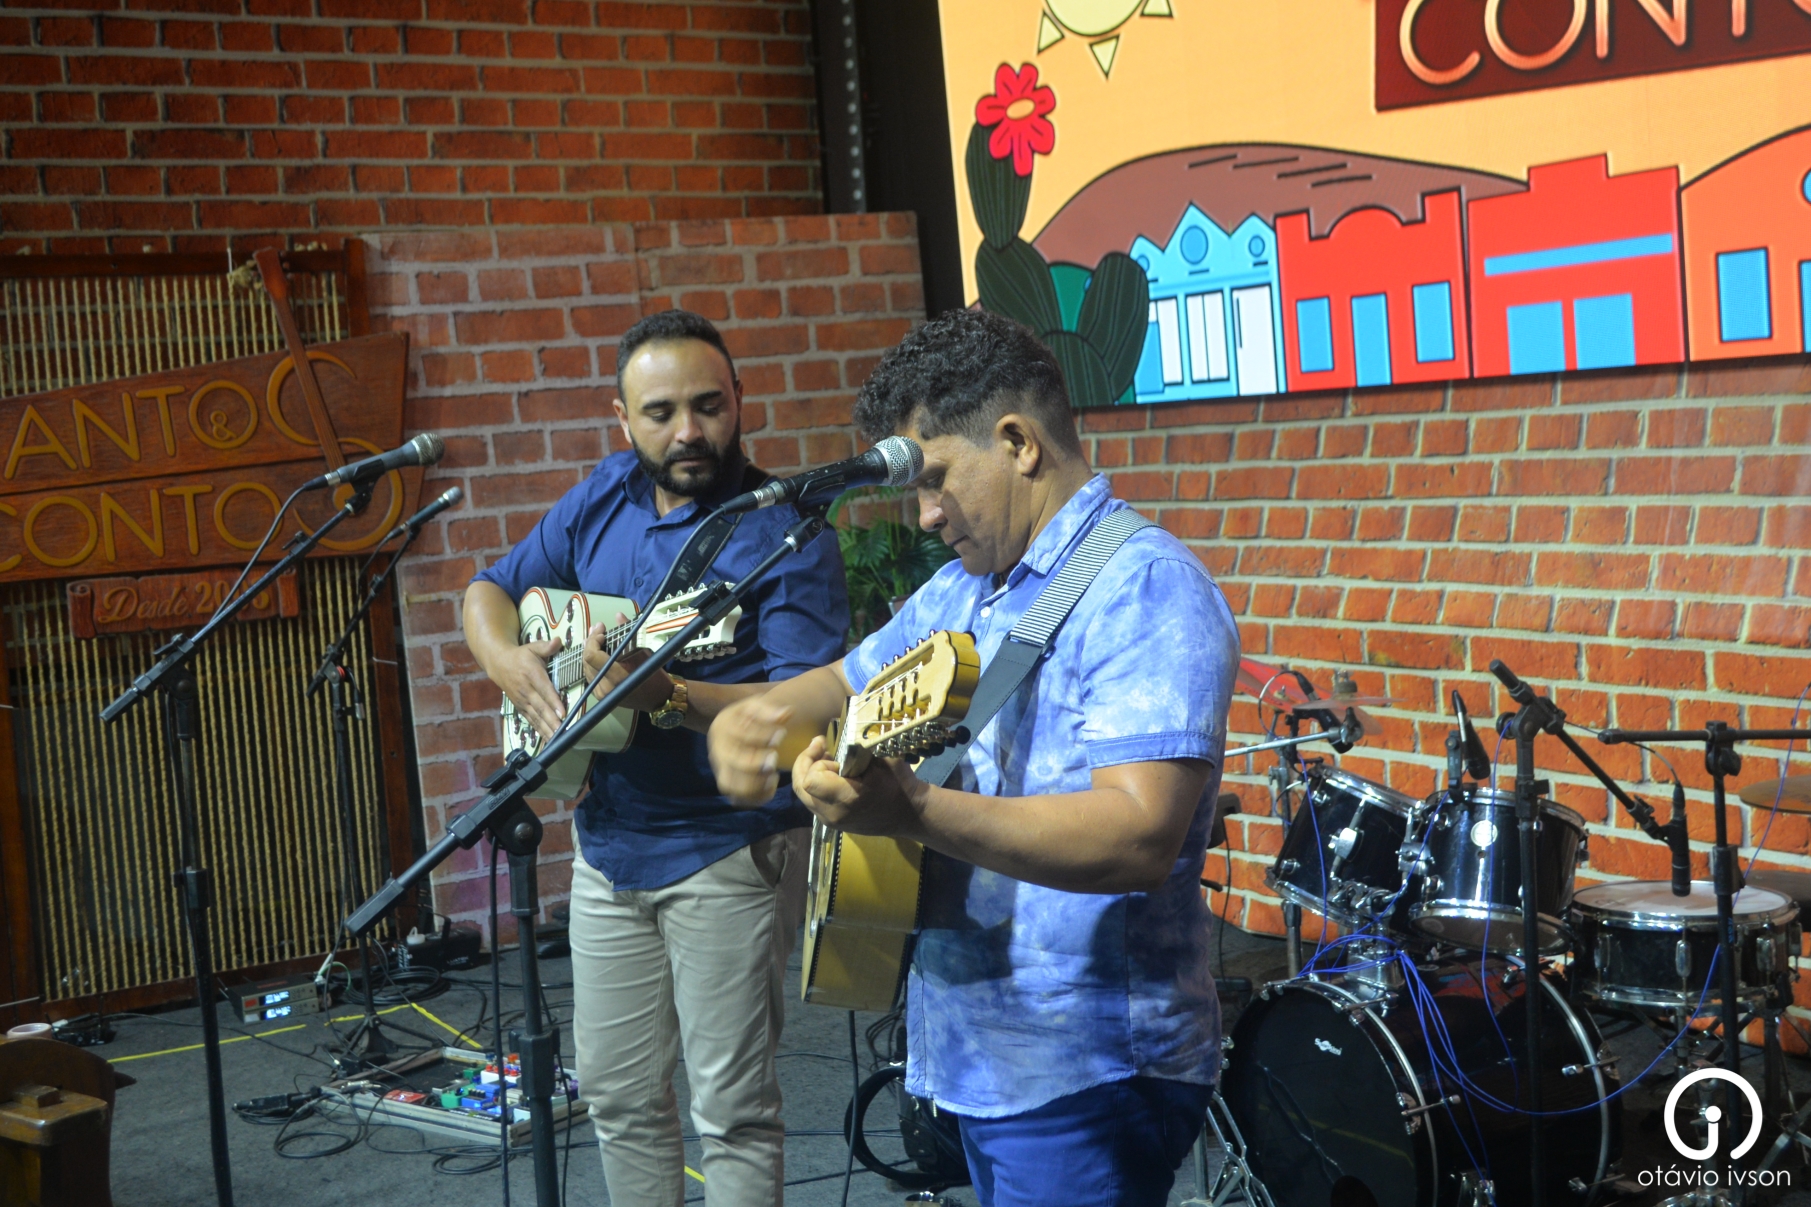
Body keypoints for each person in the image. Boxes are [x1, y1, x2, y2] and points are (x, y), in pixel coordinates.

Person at [708, 308, 1238, 1207]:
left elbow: (1138, 834)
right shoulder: (965, 589)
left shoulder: (1143, 586)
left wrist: (911, 810)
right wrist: (744, 716)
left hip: (1087, 1067)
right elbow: (840, 680)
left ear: (1018, 443)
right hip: (987, 1054)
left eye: (936, 479)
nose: (923, 514)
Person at [462, 309, 849, 1206]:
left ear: (739, 398)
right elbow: (489, 588)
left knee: (732, 1112)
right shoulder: (603, 494)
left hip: (726, 848)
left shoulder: (788, 531)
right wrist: (508, 661)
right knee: (617, 1096)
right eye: (661, 412)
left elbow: (801, 712)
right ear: (622, 417)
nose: (688, 432)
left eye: (708, 405)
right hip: (606, 847)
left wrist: (666, 694)